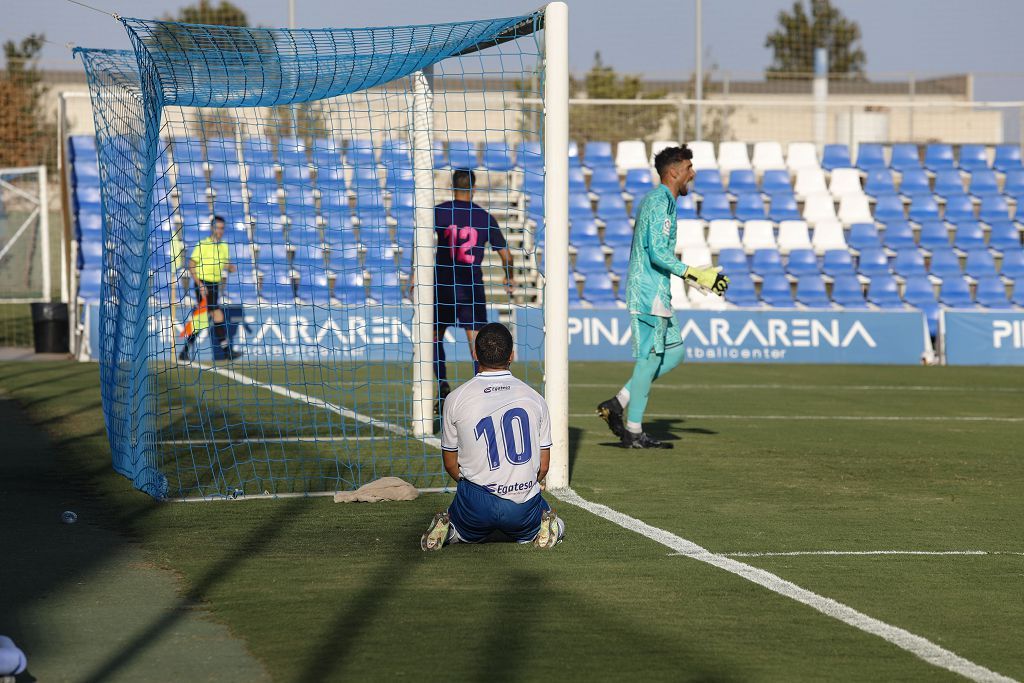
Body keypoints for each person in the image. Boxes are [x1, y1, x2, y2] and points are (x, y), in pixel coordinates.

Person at [596, 146, 729, 448]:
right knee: (650, 358)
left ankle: (618, 403)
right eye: (688, 168)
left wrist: (690, 275)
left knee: (675, 352)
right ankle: (632, 430)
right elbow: (657, 253)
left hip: (657, 290)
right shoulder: (661, 202)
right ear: (674, 172)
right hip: (648, 293)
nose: (692, 174)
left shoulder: (662, 201)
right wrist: (692, 273)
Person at [421, 322, 564, 550]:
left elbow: (450, 465)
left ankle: (449, 530)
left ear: (475, 354)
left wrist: (484, 486)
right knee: (551, 517)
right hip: (523, 506)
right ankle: (544, 526)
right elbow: (543, 467)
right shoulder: (535, 398)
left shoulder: (455, 398)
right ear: (512, 355)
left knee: (459, 520)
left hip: (475, 505)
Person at [429, 169, 514, 410]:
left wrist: (415, 277)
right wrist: (509, 278)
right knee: (476, 341)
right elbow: (506, 256)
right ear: (474, 188)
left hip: (442, 284)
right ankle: (482, 391)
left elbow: (420, 244)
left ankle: (443, 384)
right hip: (471, 285)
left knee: (434, 336)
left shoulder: (439, 211)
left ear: (451, 186)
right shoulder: (484, 217)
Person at [180, 215, 239, 360]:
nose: (220, 231)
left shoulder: (224, 246)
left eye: (222, 228)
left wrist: (229, 267)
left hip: (214, 285)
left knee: (203, 318)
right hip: (202, 284)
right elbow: (191, 265)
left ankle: (185, 352)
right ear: (212, 228)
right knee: (216, 314)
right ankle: (227, 352)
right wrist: (199, 284)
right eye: (218, 228)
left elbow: (223, 262)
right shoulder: (202, 245)